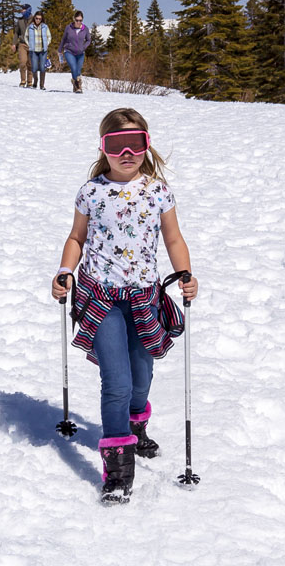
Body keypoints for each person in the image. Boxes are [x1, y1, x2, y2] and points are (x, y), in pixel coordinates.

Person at [51, 108, 198, 504]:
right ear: (104, 147)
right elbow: (76, 238)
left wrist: (185, 273)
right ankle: (118, 467)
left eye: (137, 143)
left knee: (141, 375)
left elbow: (173, 238)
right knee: (115, 381)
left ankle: (137, 423)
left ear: (147, 146)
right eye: (117, 145)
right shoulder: (91, 192)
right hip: (101, 298)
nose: (127, 152)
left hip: (144, 296)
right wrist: (66, 270)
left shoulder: (157, 191)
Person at [58, 10, 91, 93]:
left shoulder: (85, 29)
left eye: (80, 20)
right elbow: (64, 39)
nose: (78, 22)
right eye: (77, 20)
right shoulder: (68, 28)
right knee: (73, 67)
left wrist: (83, 47)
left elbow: (88, 40)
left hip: (80, 53)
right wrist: (60, 50)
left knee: (78, 71)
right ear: (74, 19)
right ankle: (78, 86)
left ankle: (76, 86)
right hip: (69, 51)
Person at [26, 10, 52, 89]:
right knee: (34, 67)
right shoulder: (30, 27)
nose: (38, 20)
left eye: (39, 19)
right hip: (33, 50)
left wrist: (46, 44)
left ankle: (42, 85)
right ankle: (35, 81)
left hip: (42, 50)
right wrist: (29, 44)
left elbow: (49, 36)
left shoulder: (45, 27)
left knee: (42, 67)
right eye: (36, 18)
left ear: (42, 19)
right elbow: (25, 37)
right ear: (34, 18)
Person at [13, 4, 33, 87]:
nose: (21, 10)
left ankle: (30, 81)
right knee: (22, 62)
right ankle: (23, 80)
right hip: (22, 44)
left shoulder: (34, 19)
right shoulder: (20, 20)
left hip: (32, 45)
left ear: (28, 10)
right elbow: (16, 33)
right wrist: (14, 44)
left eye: (23, 9)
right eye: (21, 9)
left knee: (30, 64)